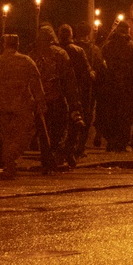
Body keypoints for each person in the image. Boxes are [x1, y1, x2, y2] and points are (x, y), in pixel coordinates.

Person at [0, 35, 45, 179]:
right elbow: (36, 83)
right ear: (18, 44)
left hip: (2, 106)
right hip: (22, 105)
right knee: (23, 135)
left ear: (4, 45)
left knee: (6, 138)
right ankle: (10, 161)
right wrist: (40, 101)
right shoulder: (26, 61)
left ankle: (9, 163)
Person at [29, 24, 79, 171]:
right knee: (57, 128)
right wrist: (73, 100)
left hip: (39, 99)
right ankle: (53, 155)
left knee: (43, 130)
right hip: (56, 97)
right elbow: (69, 78)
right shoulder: (61, 54)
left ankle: (46, 157)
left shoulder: (33, 54)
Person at [57, 24, 93, 167]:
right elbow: (86, 72)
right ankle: (69, 151)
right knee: (74, 124)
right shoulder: (78, 51)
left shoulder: (55, 51)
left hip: (58, 92)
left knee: (60, 124)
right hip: (74, 93)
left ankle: (61, 152)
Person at [99, 21, 133, 152]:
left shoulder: (108, 45)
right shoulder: (131, 46)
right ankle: (122, 142)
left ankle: (111, 141)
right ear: (128, 31)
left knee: (111, 114)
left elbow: (101, 62)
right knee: (125, 115)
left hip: (111, 85)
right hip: (127, 86)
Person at [73, 21, 104, 156]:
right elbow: (100, 69)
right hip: (87, 88)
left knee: (74, 115)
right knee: (86, 115)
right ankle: (80, 146)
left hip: (74, 88)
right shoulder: (94, 50)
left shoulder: (71, 48)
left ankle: (73, 143)